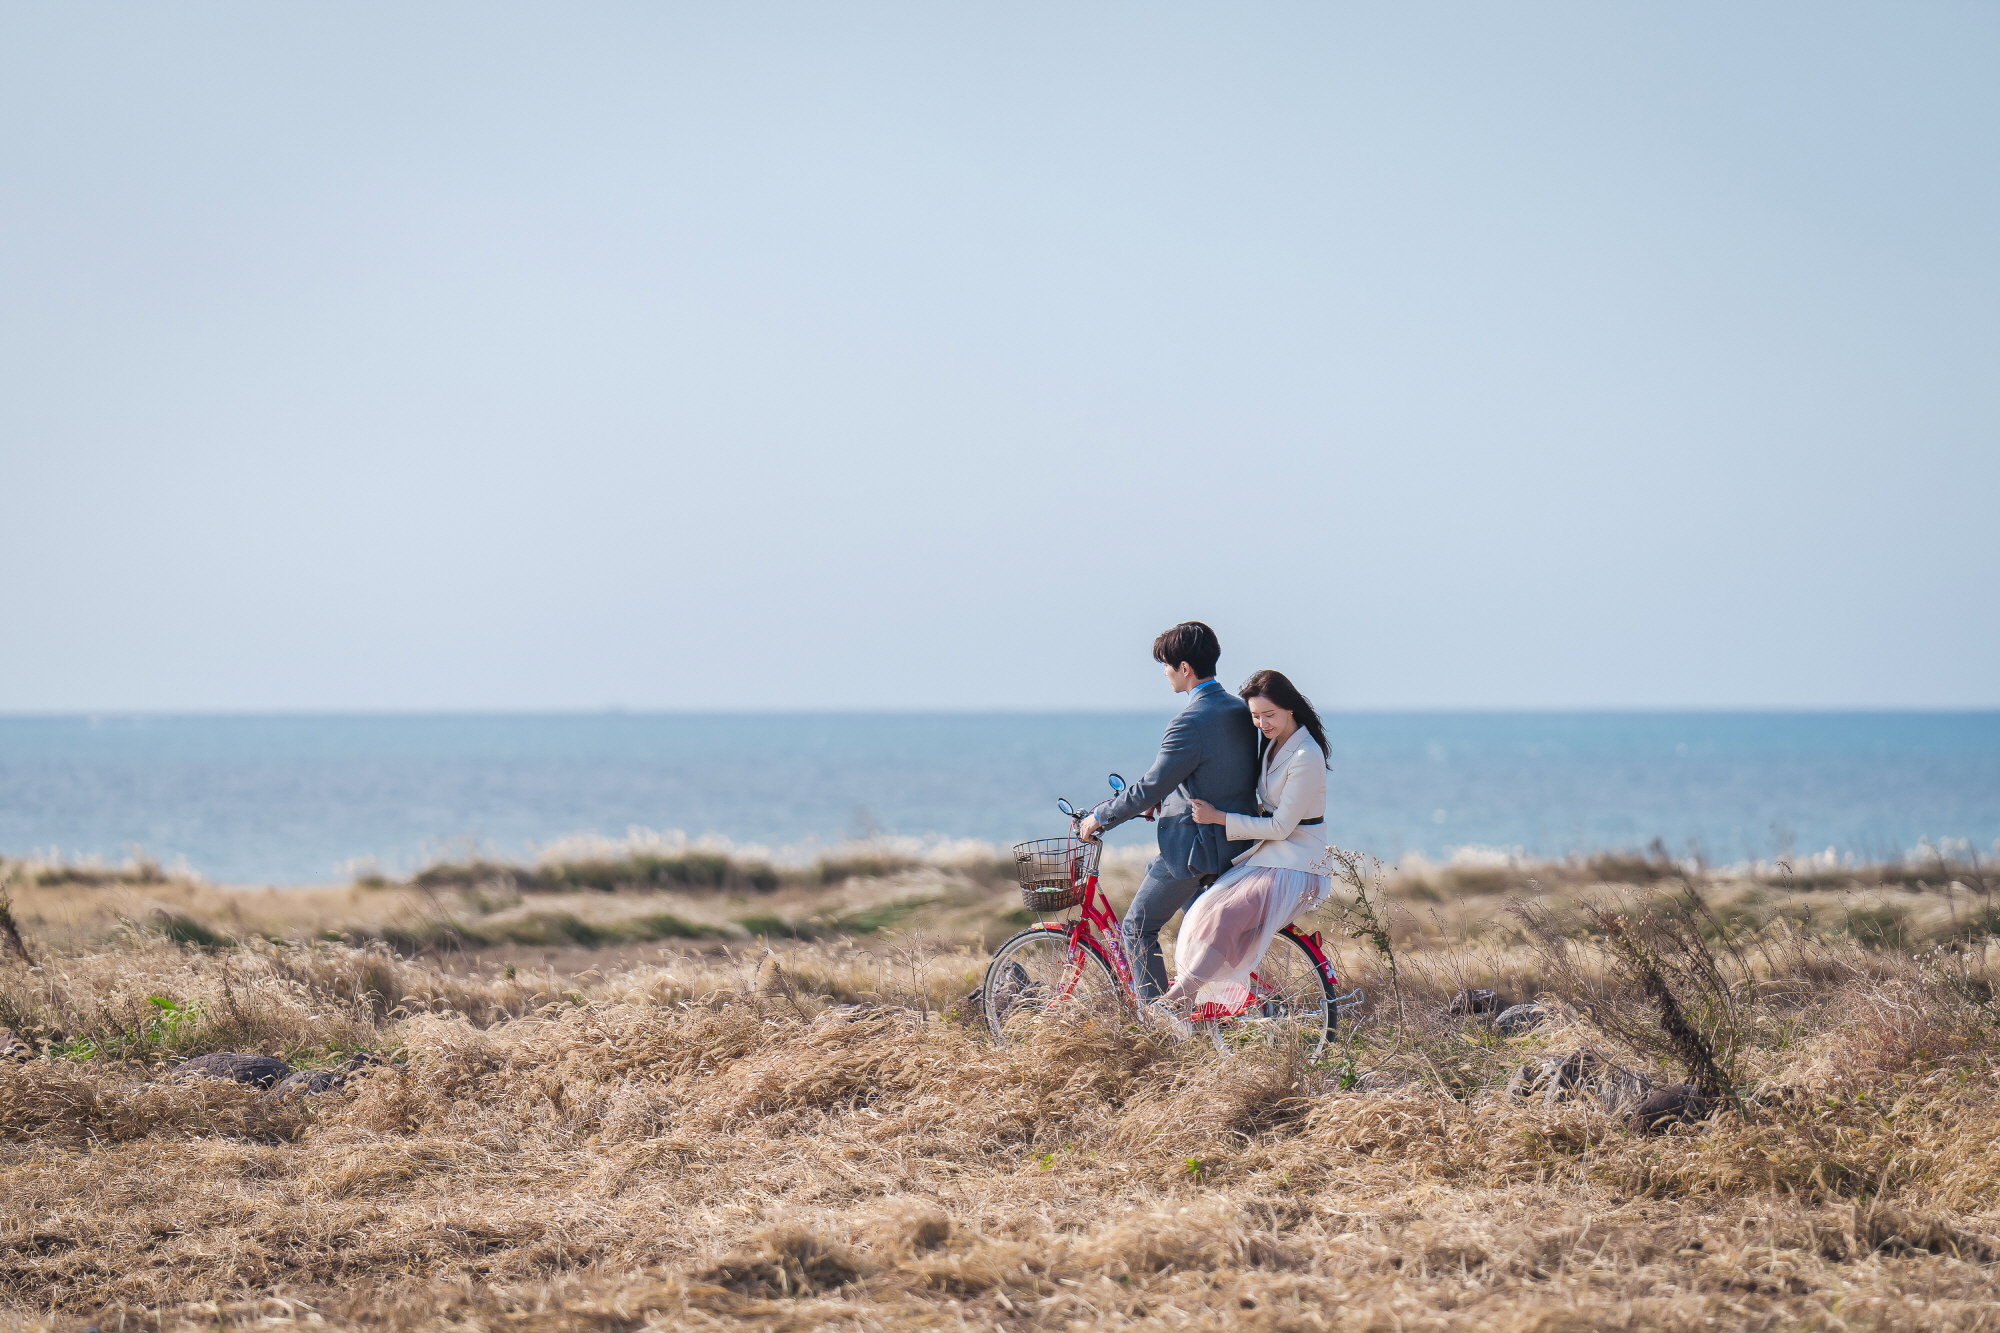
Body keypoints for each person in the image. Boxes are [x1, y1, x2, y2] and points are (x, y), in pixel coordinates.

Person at [1077, 621, 1260, 1001]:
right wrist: (1170, 799)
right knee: (1194, 923)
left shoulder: (1190, 721)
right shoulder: (1239, 711)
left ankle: (1157, 1023)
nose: (1164, 672)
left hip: (1197, 851)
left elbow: (1149, 786)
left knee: (1137, 927)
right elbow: (1218, 772)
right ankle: (1212, 988)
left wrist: (1100, 818)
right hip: (1237, 841)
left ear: (1185, 668)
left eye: (1166, 665)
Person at [1161, 669, 1332, 1020]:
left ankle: (1176, 1000)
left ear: (1291, 708)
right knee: (1206, 910)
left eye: (1269, 715)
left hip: (1298, 864)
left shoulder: (1305, 755)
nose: (1262, 723)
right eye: (1255, 716)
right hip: (1268, 858)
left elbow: (1282, 826)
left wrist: (1218, 817)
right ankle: (1214, 1003)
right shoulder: (1271, 743)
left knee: (1223, 914)